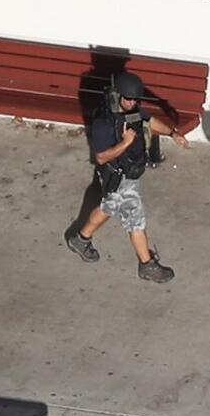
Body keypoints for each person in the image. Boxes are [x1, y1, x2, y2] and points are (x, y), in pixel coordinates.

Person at [65, 72, 189, 282]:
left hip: (130, 173)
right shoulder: (103, 123)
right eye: (129, 98)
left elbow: (148, 121)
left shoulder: (132, 110)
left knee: (108, 208)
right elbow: (101, 157)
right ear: (117, 96)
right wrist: (125, 142)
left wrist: (172, 133)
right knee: (136, 221)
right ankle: (146, 265)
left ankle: (81, 240)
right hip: (118, 176)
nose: (133, 102)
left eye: (135, 99)